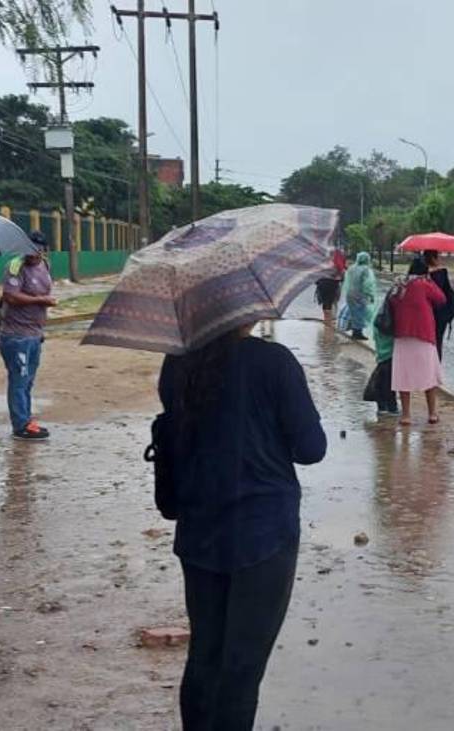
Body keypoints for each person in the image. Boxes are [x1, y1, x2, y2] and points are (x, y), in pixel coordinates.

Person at [157, 322, 327, 730]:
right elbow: (311, 448)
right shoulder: (274, 362)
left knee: (204, 655)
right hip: (264, 534)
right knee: (241, 669)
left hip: (199, 530)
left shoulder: (177, 363)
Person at [0, 231, 58, 441]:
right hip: (16, 335)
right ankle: (21, 425)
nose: (32, 254)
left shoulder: (45, 265)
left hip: (34, 334)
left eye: (37, 250)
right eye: (28, 249)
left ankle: (26, 418)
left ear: (44, 250)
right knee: (19, 379)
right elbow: (10, 296)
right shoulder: (16, 266)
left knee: (28, 380)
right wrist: (41, 300)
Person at [390, 258, 447, 426]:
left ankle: (406, 415)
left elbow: (392, 303)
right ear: (424, 271)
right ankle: (432, 413)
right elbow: (441, 299)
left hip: (402, 334)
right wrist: (430, 281)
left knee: (403, 375)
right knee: (429, 375)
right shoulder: (424, 284)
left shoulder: (400, 284)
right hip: (424, 334)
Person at [422, 250, 454, 359]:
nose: (440, 259)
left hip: (426, 314)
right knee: (437, 342)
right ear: (433, 258)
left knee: (426, 343)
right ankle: (435, 369)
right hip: (440, 315)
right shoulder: (441, 273)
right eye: (439, 256)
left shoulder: (421, 274)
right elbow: (446, 294)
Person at [365, 312, 400, 417]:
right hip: (390, 355)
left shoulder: (379, 318)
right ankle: (391, 407)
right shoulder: (392, 319)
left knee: (382, 381)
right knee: (388, 383)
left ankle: (383, 407)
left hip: (382, 355)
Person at [341, 251, 377, 340]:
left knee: (354, 313)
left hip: (350, 294)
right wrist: (371, 295)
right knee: (361, 314)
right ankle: (358, 333)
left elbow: (347, 281)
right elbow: (367, 284)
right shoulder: (365, 270)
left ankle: (355, 332)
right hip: (360, 294)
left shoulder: (352, 268)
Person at [313, 247, 347, 323]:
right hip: (332, 284)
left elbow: (316, 273)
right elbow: (341, 273)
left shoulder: (323, 261)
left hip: (322, 284)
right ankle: (329, 321)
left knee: (325, 303)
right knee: (330, 302)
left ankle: (327, 320)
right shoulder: (336, 262)